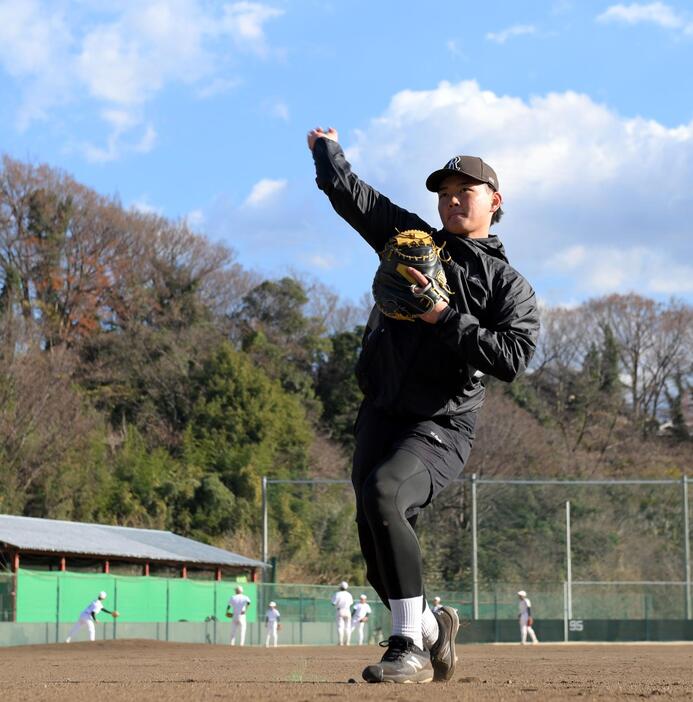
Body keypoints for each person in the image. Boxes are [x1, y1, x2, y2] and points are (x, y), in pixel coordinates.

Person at [307, 127, 539, 684]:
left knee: (386, 492)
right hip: (381, 412)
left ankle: (407, 646)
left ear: (495, 201)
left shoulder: (509, 285)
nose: (453, 198)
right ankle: (433, 627)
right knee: (375, 546)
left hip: (441, 424)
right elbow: (356, 198)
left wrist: (442, 316)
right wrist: (325, 151)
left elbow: (512, 356)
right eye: (445, 190)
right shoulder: (413, 240)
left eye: (468, 189)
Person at [331, 581, 354, 645]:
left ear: (340, 587)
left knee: (340, 626)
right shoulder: (349, 594)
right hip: (347, 610)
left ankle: (340, 642)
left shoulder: (337, 594)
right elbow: (351, 603)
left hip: (340, 610)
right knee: (348, 627)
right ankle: (348, 642)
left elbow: (333, 603)